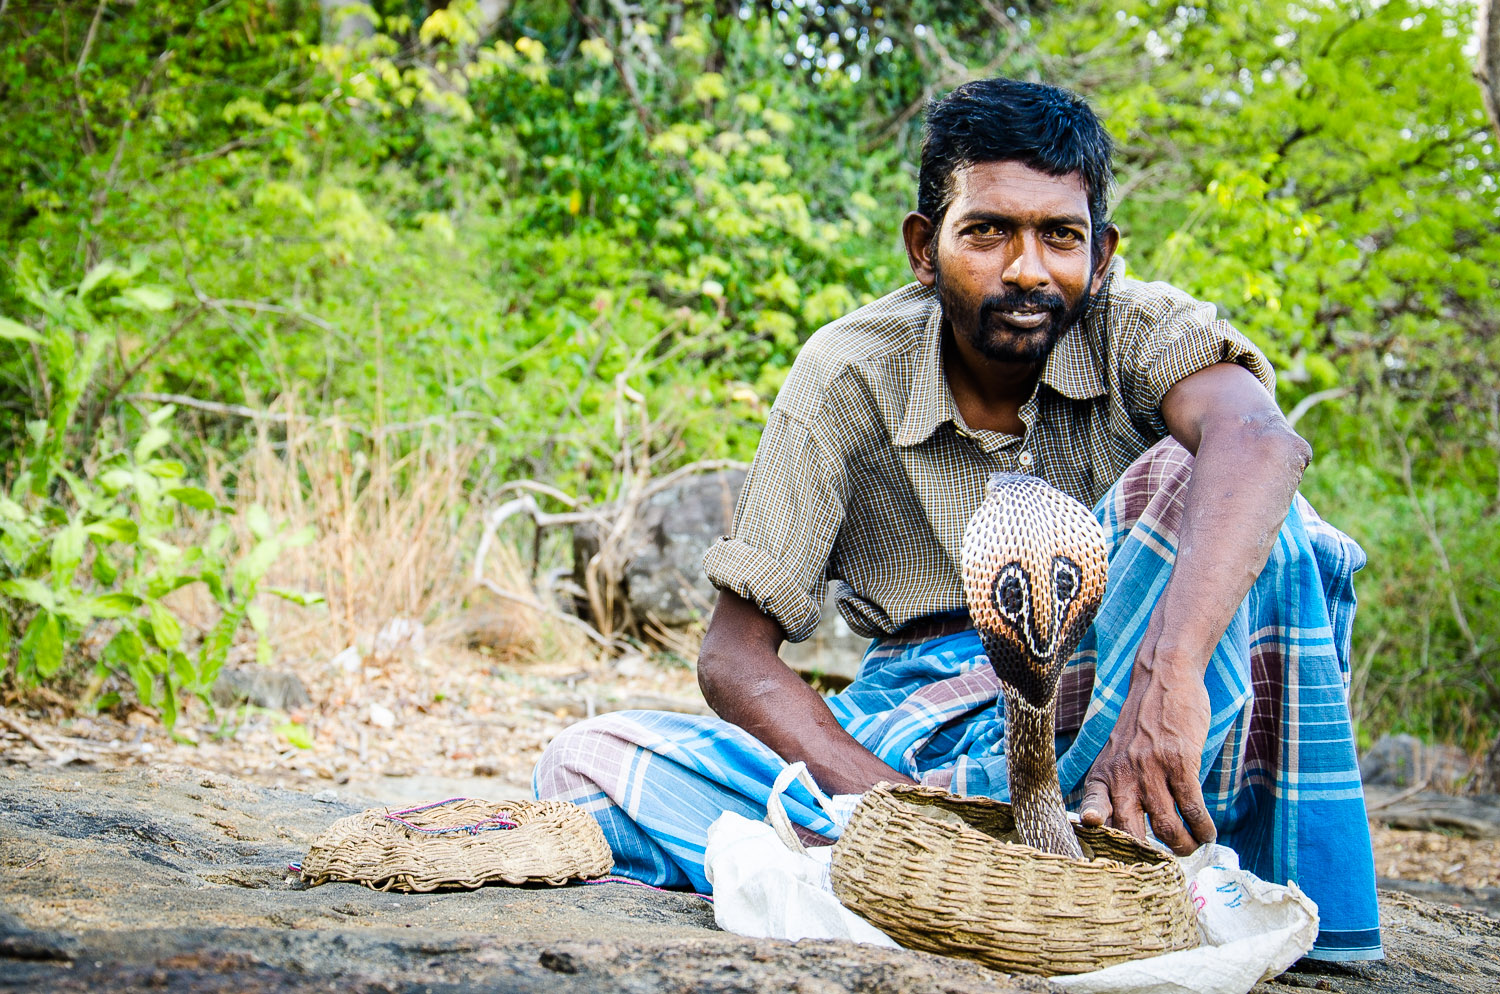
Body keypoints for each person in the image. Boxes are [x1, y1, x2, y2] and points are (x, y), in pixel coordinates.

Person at [535, 78, 1381, 962]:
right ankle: (984, 873)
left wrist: (1167, 684)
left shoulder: (1139, 327)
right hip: (920, 740)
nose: (1027, 269)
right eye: (987, 232)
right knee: (590, 761)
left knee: (1224, 492)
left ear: (1101, 254)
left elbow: (1259, 440)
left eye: (1061, 236)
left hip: (1121, 711)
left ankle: (1082, 860)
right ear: (923, 247)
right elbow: (733, 658)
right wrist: (899, 810)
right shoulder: (847, 373)